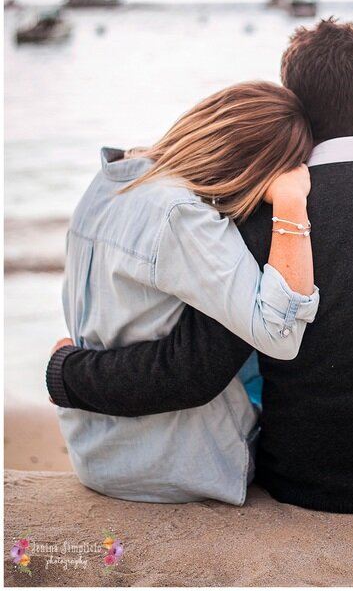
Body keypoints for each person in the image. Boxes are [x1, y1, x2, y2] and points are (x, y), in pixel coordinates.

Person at [48, 18, 353, 514]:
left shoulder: (260, 218)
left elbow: (193, 367)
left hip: (309, 479)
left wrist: (67, 372)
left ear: (295, 99)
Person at [47, 81, 320, 504]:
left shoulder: (109, 180)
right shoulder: (183, 216)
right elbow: (281, 335)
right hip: (177, 465)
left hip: (94, 452)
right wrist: (289, 202)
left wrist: (68, 372)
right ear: (257, 168)